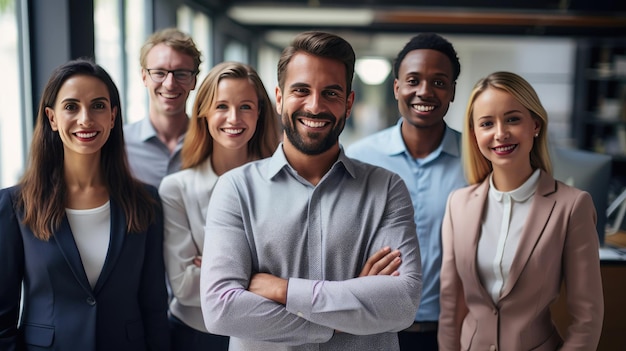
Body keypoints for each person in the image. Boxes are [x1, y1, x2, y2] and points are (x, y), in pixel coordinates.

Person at [199, 31, 422, 351]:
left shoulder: (387, 189)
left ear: (348, 103)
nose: (315, 106)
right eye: (301, 90)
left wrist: (284, 290)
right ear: (278, 98)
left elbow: (401, 304)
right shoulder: (236, 189)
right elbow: (222, 310)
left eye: (330, 93)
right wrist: (347, 312)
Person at [0, 59, 170, 350]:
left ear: (113, 116)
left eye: (98, 106)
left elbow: (154, 307)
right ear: (52, 118)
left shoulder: (146, 202)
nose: (85, 119)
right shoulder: (15, 205)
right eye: (71, 107)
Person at [438, 71, 604, 351]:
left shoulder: (572, 206)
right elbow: (451, 307)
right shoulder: (458, 204)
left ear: (535, 124)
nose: (500, 133)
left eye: (513, 119)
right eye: (487, 123)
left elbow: (587, 318)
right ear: (475, 134)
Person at [346, 32, 466, 350]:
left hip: (457, 328)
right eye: (413, 80)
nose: (424, 91)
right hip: (376, 326)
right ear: (397, 87)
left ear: (452, 91)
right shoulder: (358, 158)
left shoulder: (479, 160)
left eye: (439, 82)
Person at [159, 61, 280, 350]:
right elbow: (186, 288)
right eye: (222, 106)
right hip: (193, 337)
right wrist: (263, 277)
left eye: (246, 106)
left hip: (263, 336)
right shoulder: (177, 188)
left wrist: (217, 268)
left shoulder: (283, 184)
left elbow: (297, 273)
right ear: (204, 112)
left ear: (260, 112)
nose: (234, 118)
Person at [124, 27, 202, 188]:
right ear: (144, 77)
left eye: (181, 73)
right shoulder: (119, 143)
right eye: (159, 73)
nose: (169, 84)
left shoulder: (208, 141)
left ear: (194, 80)